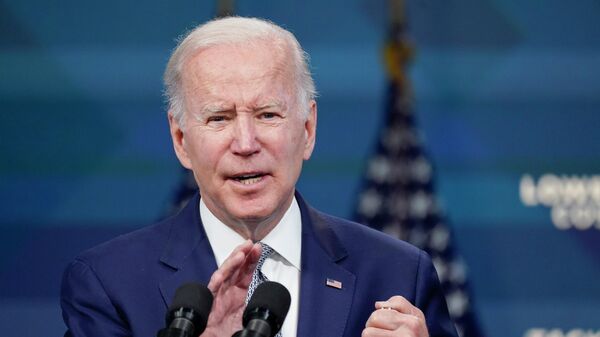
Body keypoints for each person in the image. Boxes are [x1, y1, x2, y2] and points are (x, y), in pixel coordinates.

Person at [60, 16, 458, 337]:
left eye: (268, 114)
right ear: (181, 140)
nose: (246, 143)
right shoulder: (109, 284)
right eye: (219, 118)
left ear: (307, 129)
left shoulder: (398, 273)